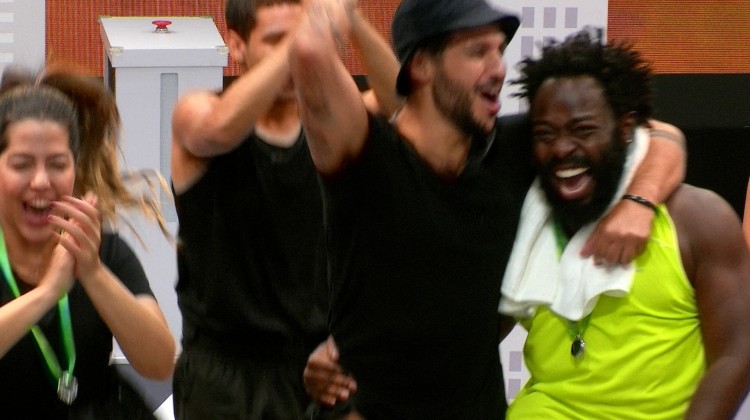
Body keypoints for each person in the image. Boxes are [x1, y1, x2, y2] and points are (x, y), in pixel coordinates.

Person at [291, 0, 687, 418]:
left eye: (500, 50)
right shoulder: (364, 155)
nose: (499, 69)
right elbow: (309, 52)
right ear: (422, 65)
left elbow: (659, 136)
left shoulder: (510, 151)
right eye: (478, 51)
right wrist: (342, 14)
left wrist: (639, 200)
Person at [499, 29, 750, 419]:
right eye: (545, 134)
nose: (561, 148)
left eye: (583, 130)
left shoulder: (698, 217)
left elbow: (738, 351)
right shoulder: (520, 221)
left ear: (625, 129)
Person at [169, 0, 399, 418]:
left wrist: (352, 20)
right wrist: (301, 40)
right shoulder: (198, 110)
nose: (296, 51)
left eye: (302, 38)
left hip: (318, 368)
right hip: (225, 373)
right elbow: (216, 130)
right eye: (275, 41)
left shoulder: (332, 123)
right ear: (237, 46)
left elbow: (403, 105)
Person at [0, 69, 176, 419]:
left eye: (57, 164)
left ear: (75, 168)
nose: (41, 181)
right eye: (21, 165)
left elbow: (159, 363)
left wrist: (94, 273)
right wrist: (47, 293)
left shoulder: (105, 251)